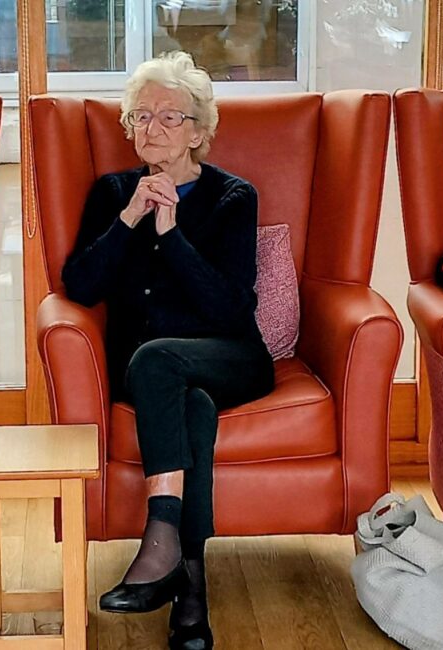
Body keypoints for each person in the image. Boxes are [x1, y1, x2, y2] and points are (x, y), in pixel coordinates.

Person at [63, 51, 274, 650]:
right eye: (139, 116)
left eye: (168, 116)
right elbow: (79, 286)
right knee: (191, 407)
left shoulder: (234, 197)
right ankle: (191, 593)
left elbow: (232, 309)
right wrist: (130, 218)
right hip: (147, 371)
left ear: (200, 131)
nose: (150, 128)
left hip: (231, 356)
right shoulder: (112, 194)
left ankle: (159, 541)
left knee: (161, 359)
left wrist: (170, 234)